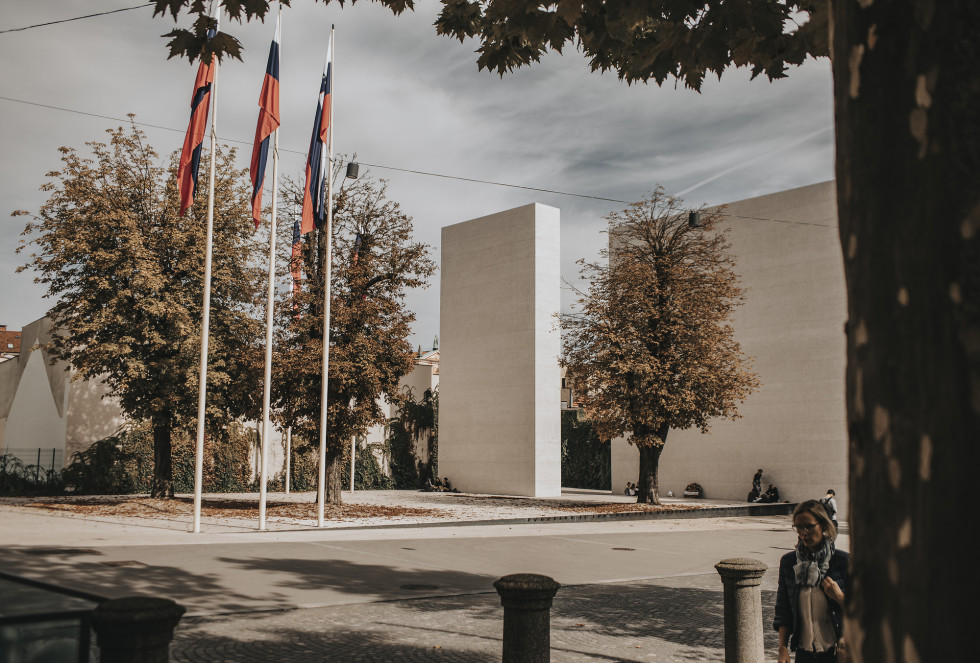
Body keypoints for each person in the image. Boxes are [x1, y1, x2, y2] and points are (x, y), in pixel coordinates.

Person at [774, 500, 848, 662]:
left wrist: (840, 597)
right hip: (804, 654)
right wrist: (782, 648)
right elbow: (783, 609)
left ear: (823, 525)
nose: (803, 532)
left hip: (837, 655)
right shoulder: (789, 563)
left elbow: (864, 612)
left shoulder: (842, 562)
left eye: (809, 526)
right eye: (798, 527)